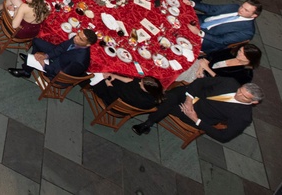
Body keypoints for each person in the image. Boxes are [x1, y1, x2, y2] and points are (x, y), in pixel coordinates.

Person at [131, 78, 262, 143]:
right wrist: (189, 99)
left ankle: (148, 123)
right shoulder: (231, 83)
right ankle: (149, 120)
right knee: (169, 98)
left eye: (243, 96)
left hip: (197, 115)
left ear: (254, 102)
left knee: (168, 103)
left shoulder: (243, 116)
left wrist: (196, 120)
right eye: (239, 91)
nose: (237, 95)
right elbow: (201, 82)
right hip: (191, 95)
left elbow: (224, 137)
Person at [7, 29, 97, 79]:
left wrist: (44, 65)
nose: (76, 38)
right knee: (36, 41)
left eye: (80, 39)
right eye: (78, 34)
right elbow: (61, 48)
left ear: (88, 44)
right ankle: (31, 61)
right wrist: (46, 55)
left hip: (58, 68)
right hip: (59, 55)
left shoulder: (80, 61)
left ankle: (26, 70)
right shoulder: (76, 39)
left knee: (41, 56)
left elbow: (62, 74)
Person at [194, 0, 262, 53]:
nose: (241, 10)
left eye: (246, 10)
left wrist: (200, 33)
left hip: (207, 38)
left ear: (254, 15)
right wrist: (193, 4)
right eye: (242, 6)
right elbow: (212, 9)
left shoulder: (247, 31)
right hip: (200, 20)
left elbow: (221, 40)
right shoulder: (234, 7)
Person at [179, 44, 262, 86]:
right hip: (201, 65)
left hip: (208, 80)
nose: (239, 53)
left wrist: (206, 68)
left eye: (243, 54)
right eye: (240, 50)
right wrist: (201, 67)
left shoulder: (246, 75)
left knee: (182, 70)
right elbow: (213, 54)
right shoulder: (232, 52)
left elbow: (224, 84)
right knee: (182, 60)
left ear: (250, 58)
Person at [91, 74, 164, 110]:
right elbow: (131, 81)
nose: (139, 83)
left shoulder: (132, 94)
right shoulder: (156, 94)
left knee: (97, 80)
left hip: (115, 104)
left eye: (141, 84)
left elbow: (113, 93)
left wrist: (107, 81)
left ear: (146, 90)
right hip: (126, 102)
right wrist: (114, 75)